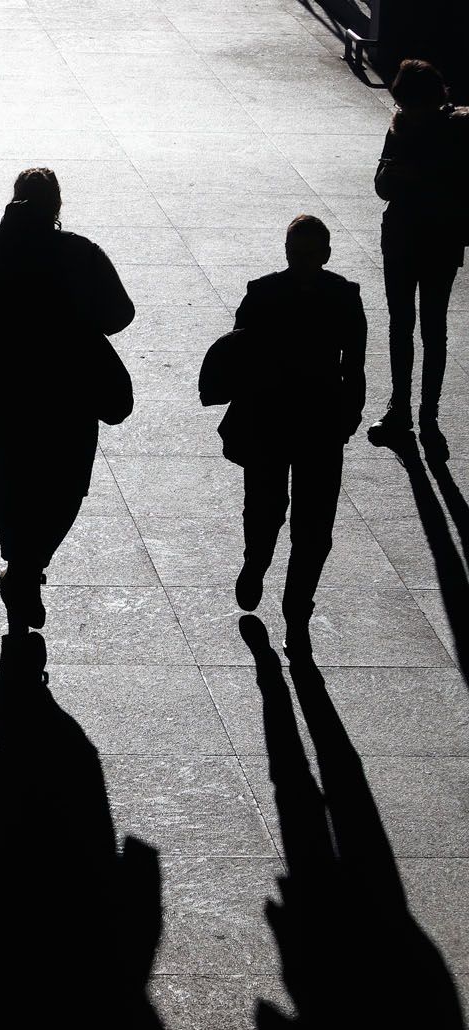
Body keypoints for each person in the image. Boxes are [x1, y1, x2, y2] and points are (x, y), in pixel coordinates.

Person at [0, 168, 134, 634]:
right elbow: (120, 314)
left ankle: (19, 562)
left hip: (1, 385)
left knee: (12, 474)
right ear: (57, 206)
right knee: (67, 483)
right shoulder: (80, 252)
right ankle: (29, 566)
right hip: (68, 387)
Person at [221, 216, 367, 657]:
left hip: (313, 423)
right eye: (296, 255)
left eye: (309, 255)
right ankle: (256, 564)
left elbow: (355, 366)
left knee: (312, 525)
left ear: (324, 254)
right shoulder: (273, 293)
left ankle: (295, 608)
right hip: (276, 419)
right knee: (268, 511)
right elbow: (239, 357)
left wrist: (347, 418)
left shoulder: (336, 297)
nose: (302, 263)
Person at [368, 58, 469, 453]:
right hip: (402, 235)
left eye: (410, 104)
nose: (404, 111)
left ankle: (426, 413)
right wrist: (394, 177)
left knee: (431, 327)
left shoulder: (458, 131)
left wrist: (419, 177)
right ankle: (403, 408)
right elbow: (380, 182)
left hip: (439, 237)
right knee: (403, 324)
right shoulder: (400, 126)